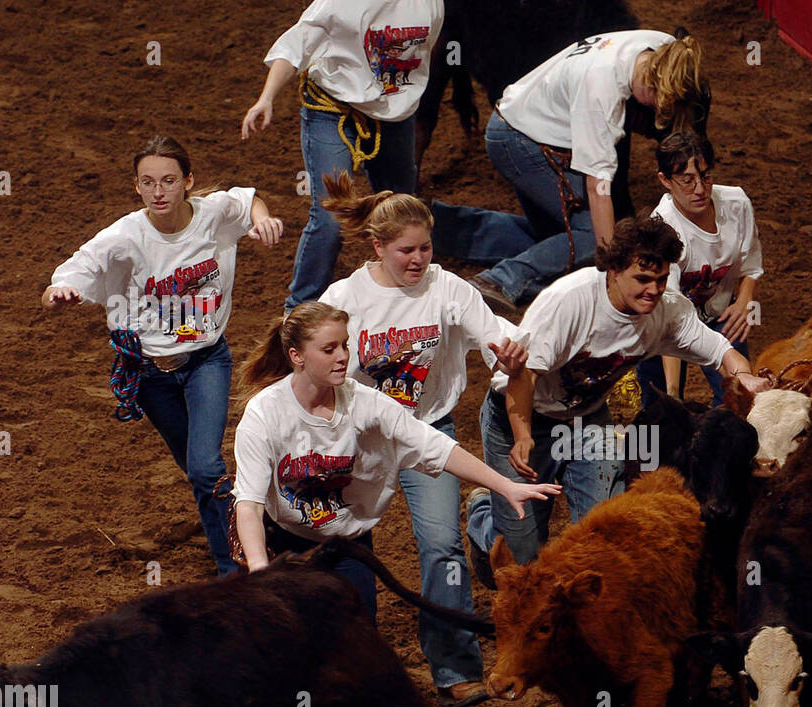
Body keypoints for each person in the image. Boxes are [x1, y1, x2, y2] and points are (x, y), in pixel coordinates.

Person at [232, 301, 557, 707]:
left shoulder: (365, 403)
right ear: (297, 356)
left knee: (357, 631)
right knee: (292, 636)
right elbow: (247, 502)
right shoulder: (266, 414)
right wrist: (261, 568)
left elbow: (435, 448)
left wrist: (505, 486)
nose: (344, 356)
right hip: (287, 540)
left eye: (345, 345)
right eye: (329, 349)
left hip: (348, 542)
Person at [318, 172, 525, 707]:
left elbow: (493, 333)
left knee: (440, 547)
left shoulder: (448, 288)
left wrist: (507, 351)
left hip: (427, 432)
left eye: (426, 248)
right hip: (359, 439)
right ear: (377, 245)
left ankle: (455, 670)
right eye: (405, 250)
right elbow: (314, 356)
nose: (417, 259)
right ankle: (340, 673)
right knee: (338, 548)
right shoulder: (345, 297)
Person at [465, 216, 770, 574]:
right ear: (613, 270)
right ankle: (483, 516)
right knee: (522, 555)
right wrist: (522, 435)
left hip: (588, 419)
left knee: (605, 532)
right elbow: (524, 374)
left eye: (660, 279)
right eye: (642, 279)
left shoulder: (668, 309)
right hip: (523, 417)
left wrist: (746, 377)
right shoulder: (569, 303)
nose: (653, 290)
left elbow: (719, 350)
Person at [42, 135, 284, 577]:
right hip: (149, 374)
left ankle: (234, 570)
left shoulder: (211, 214)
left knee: (205, 465)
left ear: (187, 182)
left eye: (169, 180)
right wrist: (60, 292)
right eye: (148, 182)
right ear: (137, 187)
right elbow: (70, 273)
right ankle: (247, 535)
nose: (159, 191)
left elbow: (247, 200)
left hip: (206, 360)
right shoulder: (123, 235)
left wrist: (264, 219)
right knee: (199, 472)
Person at [430, 31, 708, 313]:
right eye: (657, 101)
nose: (654, 110)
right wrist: (612, 271)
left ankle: (437, 227)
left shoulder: (665, 50)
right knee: (591, 238)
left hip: (520, 121)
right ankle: (498, 281)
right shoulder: (601, 93)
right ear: (653, 81)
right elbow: (598, 189)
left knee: (558, 237)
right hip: (523, 142)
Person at [241, 0, 444, 311]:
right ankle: (298, 310)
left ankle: (403, 294)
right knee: (331, 215)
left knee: (404, 210)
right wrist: (266, 98)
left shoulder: (431, 4)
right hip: (332, 107)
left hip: (394, 114)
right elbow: (297, 43)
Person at [636, 132, 762, 408]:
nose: (700, 189)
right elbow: (668, 315)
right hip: (659, 325)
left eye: (705, 176)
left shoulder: (737, 203)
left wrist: (744, 301)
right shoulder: (664, 229)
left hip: (718, 315)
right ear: (665, 181)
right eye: (687, 180)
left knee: (740, 401)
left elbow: (751, 262)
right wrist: (672, 391)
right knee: (659, 409)